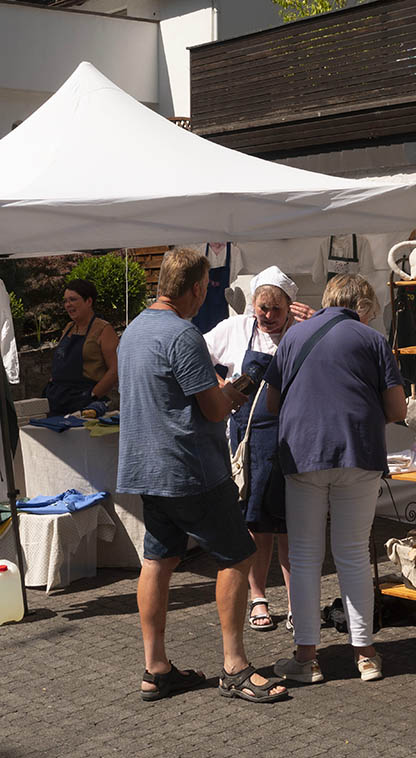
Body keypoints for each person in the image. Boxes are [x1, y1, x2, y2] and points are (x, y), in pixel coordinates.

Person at [118, 247, 287, 704]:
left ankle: (156, 669)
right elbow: (213, 409)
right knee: (238, 556)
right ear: (195, 289)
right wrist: (244, 383)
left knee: (158, 560)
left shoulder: (132, 331)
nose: (204, 297)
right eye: (205, 289)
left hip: (146, 469)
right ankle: (234, 667)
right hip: (190, 468)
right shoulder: (182, 335)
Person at [266, 273, 406, 684]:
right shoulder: (372, 340)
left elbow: (273, 401)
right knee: (353, 554)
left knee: (306, 556)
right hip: (359, 452)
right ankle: (365, 655)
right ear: (360, 305)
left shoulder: (292, 337)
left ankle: (307, 658)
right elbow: (397, 409)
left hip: (304, 451)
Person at [204, 266, 299, 633]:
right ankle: (258, 596)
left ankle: (296, 603)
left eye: (276, 309)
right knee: (256, 523)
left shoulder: (298, 333)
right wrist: (220, 384)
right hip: (250, 441)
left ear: (290, 307)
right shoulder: (237, 329)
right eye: (263, 308)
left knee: (291, 525)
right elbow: (196, 351)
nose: (269, 316)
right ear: (254, 306)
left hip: (290, 439)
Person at [43, 278, 119, 415]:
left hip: (83, 403)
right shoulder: (68, 328)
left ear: (89, 301)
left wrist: (93, 395)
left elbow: (115, 370)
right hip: (56, 401)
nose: (68, 305)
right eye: (65, 301)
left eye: (73, 299)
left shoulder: (103, 329)